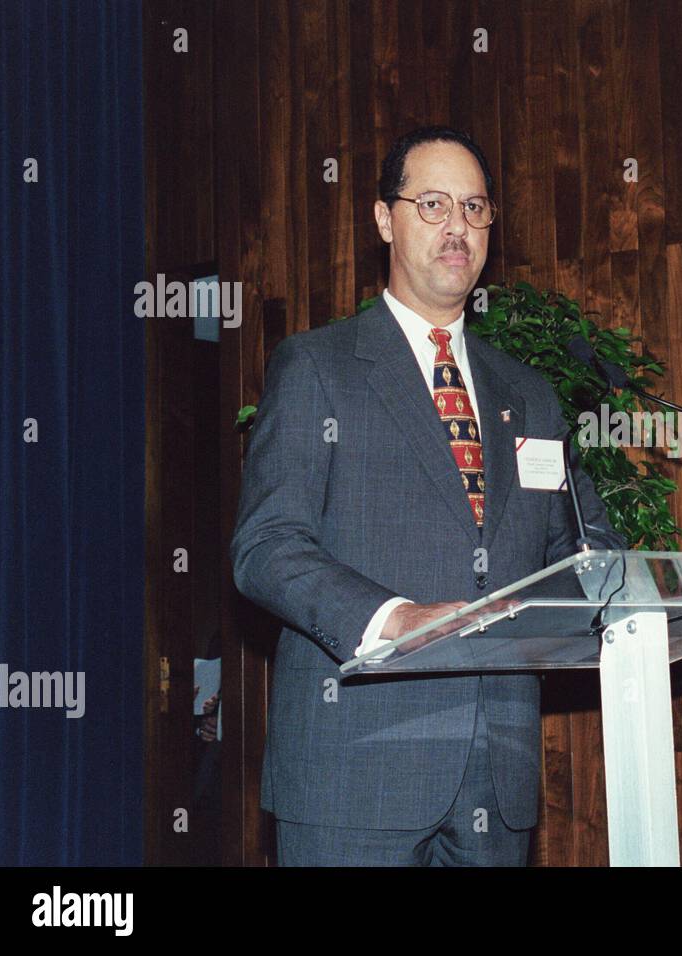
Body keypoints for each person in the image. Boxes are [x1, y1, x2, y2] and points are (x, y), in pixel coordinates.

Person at [230, 125, 621, 866]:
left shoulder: (529, 395)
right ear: (385, 220)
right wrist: (394, 618)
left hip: (494, 771)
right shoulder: (318, 367)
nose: (458, 228)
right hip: (356, 763)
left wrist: (603, 579)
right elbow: (266, 547)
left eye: (475, 209)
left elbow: (584, 539)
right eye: (433, 204)